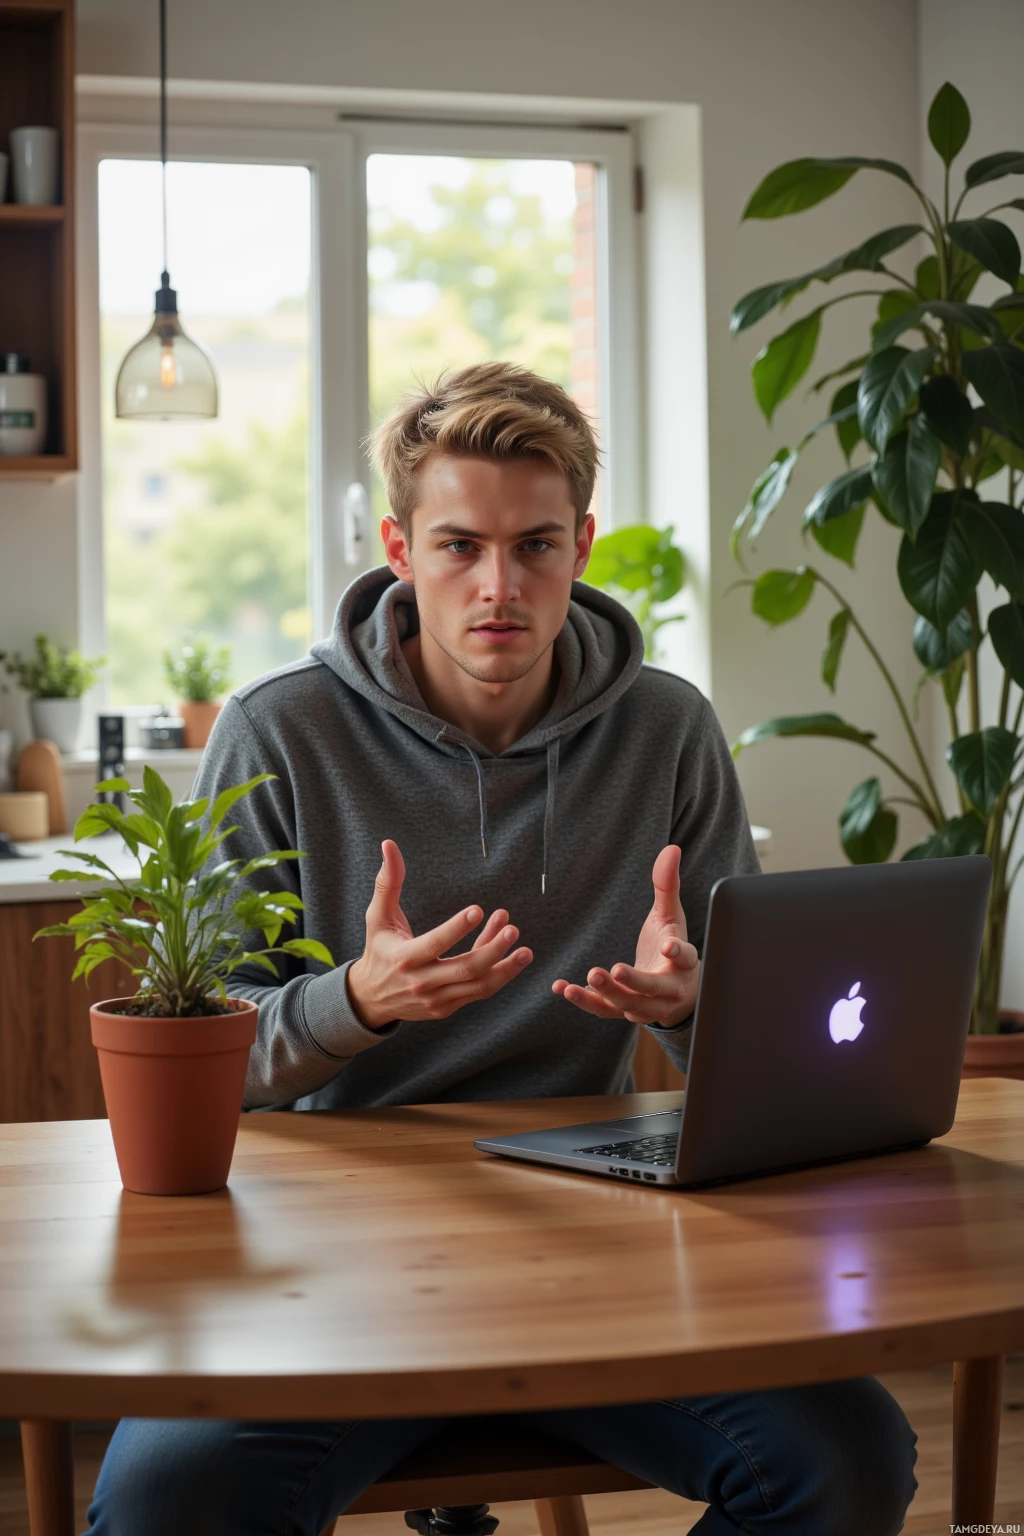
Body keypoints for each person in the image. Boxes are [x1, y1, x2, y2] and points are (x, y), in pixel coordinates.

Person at [86, 363, 917, 1535]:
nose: (498, 586)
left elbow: (763, 1052)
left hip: (600, 1231)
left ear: (583, 543)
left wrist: (689, 1007)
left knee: (847, 1460)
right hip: (328, 1249)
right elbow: (210, 1056)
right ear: (397, 546)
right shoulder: (280, 730)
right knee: (167, 1506)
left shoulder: (666, 728)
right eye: (458, 544)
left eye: (534, 546)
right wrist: (356, 1002)